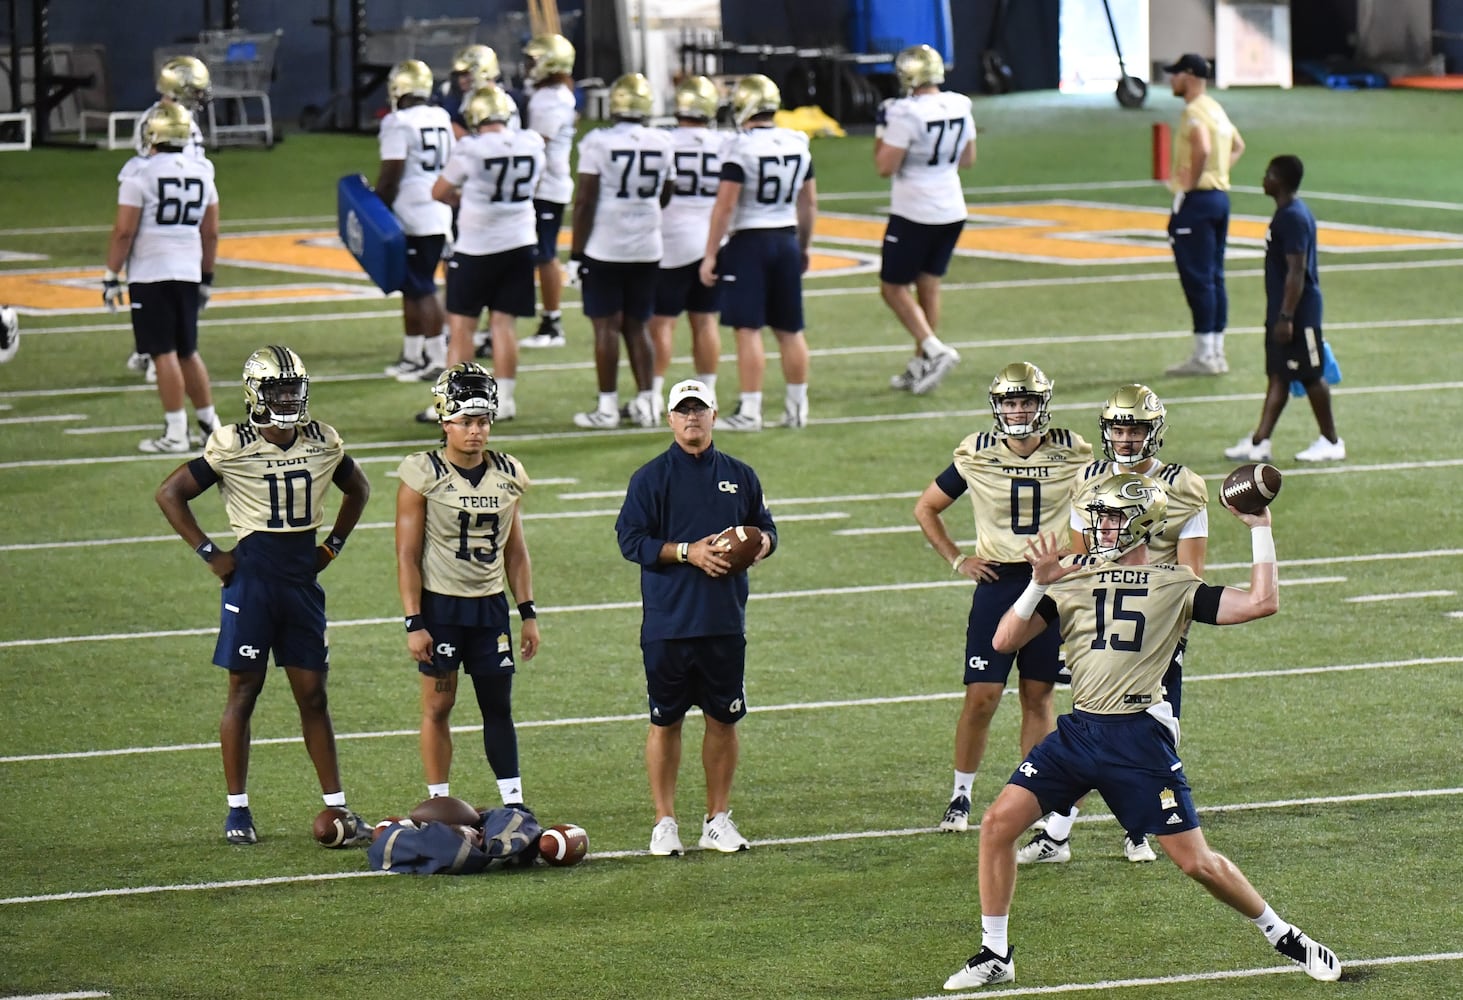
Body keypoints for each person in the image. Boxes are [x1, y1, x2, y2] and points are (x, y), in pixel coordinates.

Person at [942, 473, 1341, 989]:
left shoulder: (1175, 582)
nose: (1102, 527)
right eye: (1100, 517)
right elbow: (1003, 640)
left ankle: (1283, 934)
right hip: (1080, 730)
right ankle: (995, 953)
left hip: (1137, 740)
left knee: (1197, 863)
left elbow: (1262, 602)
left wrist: (1259, 527)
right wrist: (1039, 582)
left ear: (1144, 524)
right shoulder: (1071, 576)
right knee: (997, 825)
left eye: (1113, 518)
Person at [154, 346, 373, 846]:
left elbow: (358, 488)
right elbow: (170, 493)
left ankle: (338, 807)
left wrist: (333, 546)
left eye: (294, 389)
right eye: (279, 390)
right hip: (252, 583)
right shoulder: (232, 442)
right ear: (256, 393)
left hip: (301, 582)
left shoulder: (322, 439)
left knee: (313, 696)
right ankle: (237, 810)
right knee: (243, 692)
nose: (289, 399)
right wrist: (210, 553)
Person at [1017, 384, 1207, 865]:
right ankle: (1058, 832)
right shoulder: (1091, 478)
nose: (1126, 438)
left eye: (1136, 427)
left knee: (1154, 726)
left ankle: (1139, 827)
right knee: (1090, 726)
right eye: (1119, 427)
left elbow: (1191, 573)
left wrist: (1171, 629)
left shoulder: (1184, 485)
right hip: (1100, 619)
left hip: (1155, 621)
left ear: (1155, 430)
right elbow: (1084, 559)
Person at [913, 362, 1091, 833]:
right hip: (998, 582)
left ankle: (1040, 794)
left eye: (1026, 401)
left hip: (1052, 585)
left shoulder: (1074, 451)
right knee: (983, 696)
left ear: (1042, 404)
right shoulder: (975, 452)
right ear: (998, 406)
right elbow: (926, 507)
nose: (1018, 410)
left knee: (1039, 695)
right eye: (1010, 402)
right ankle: (961, 793)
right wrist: (958, 559)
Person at [614, 379, 778, 855]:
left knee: (723, 720)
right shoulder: (649, 478)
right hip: (668, 623)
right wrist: (688, 552)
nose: (692, 418)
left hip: (724, 621)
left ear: (714, 414)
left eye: (699, 410)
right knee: (665, 722)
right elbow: (631, 541)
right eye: (683, 411)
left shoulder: (740, 475)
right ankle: (664, 821)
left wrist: (761, 544)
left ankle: (717, 818)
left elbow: (766, 529)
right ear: (670, 419)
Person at [395, 363, 540, 808]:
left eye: (482, 421)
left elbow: (515, 550)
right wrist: (413, 621)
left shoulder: (507, 472)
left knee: (498, 707)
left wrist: (528, 612)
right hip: (441, 610)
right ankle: (439, 800)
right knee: (438, 707)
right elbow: (406, 553)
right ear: (444, 421)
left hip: (489, 607)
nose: (476, 432)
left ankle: (513, 802)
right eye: (466, 422)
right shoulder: (423, 472)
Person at [699, 74, 816, 431]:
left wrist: (709, 254)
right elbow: (808, 202)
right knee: (790, 330)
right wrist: (804, 246)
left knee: (748, 329)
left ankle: (750, 410)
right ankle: (797, 408)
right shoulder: (798, 141)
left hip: (750, 242)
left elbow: (725, 205)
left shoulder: (741, 146)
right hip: (786, 240)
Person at [105, 103, 222, 454]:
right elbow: (211, 232)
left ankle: (175, 432)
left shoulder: (139, 174)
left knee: (162, 352)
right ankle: (209, 425)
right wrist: (207, 277)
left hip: (151, 271)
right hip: (188, 270)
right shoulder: (203, 170)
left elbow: (124, 231)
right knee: (188, 350)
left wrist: (111, 275)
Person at [430, 87, 544, 424]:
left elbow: (438, 191)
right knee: (503, 325)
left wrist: (466, 201)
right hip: (521, 241)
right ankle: (505, 400)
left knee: (462, 326)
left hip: (477, 247)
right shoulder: (532, 143)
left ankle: (456, 401)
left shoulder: (470, 148)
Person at [1225, 155, 1346, 464]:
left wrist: (1286, 317)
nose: (1263, 179)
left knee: (1310, 374)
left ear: (1278, 179)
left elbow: (1296, 270)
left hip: (1298, 313)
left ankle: (1331, 441)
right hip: (1282, 310)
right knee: (1278, 374)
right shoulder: (1286, 214)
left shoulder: (1292, 217)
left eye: (1268, 174)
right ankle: (1259, 442)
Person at [569, 73, 673, 429]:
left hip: (606, 245)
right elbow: (666, 192)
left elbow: (585, 200)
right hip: (647, 244)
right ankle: (647, 403)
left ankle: (608, 407)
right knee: (638, 326)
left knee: (606, 327)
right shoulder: (663, 141)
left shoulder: (598, 142)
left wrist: (576, 254)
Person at [874, 44, 973, 395]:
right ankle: (922, 365)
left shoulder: (904, 113)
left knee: (893, 287)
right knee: (928, 284)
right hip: (952, 206)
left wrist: (882, 132)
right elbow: (968, 158)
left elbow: (884, 166)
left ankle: (934, 349)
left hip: (915, 209)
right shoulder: (960, 104)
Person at [125, 56, 211, 381]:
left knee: (155, 283)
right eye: (197, 90)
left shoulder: (160, 117)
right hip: (170, 210)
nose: (201, 96)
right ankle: (156, 353)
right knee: (165, 285)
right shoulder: (169, 120)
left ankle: (155, 351)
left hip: (168, 207)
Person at [1162, 53, 1245, 377]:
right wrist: (1217, 174)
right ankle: (1216, 351)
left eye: (1176, 74)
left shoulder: (1195, 111)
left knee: (1198, 279)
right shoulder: (1216, 108)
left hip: (1198, 202)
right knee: (1214, 277)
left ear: (1190, 75)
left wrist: (1191, 182)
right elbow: (1238, 145)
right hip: (1219, 198)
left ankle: (1204, 355)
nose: (1171, 79)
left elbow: (1203, 147)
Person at [648, 74, 724, 415]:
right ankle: (709, 392)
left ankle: (651, 395)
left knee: (662, 322)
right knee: (705, 320)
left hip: (672, 240)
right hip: (711, 241)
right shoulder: (726, 143)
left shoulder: (664, 141)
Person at [376, 59, 454, 384]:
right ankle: (412, 354)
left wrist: (377, 209)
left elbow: (392, 172)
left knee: (422, 287)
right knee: (412, 286)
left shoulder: (398, 122)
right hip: (437, 209)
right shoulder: (441, 116)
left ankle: (437, 359)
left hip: (414, 213)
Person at [519, 33, 578, 349]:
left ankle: (552, 322)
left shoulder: (552, 99)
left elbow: (535, 144)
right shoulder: (552, 93)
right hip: (545, 184)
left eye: (535, 59)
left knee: (544, 255)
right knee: (536, 254)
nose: (529, 65)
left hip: (546, 185)